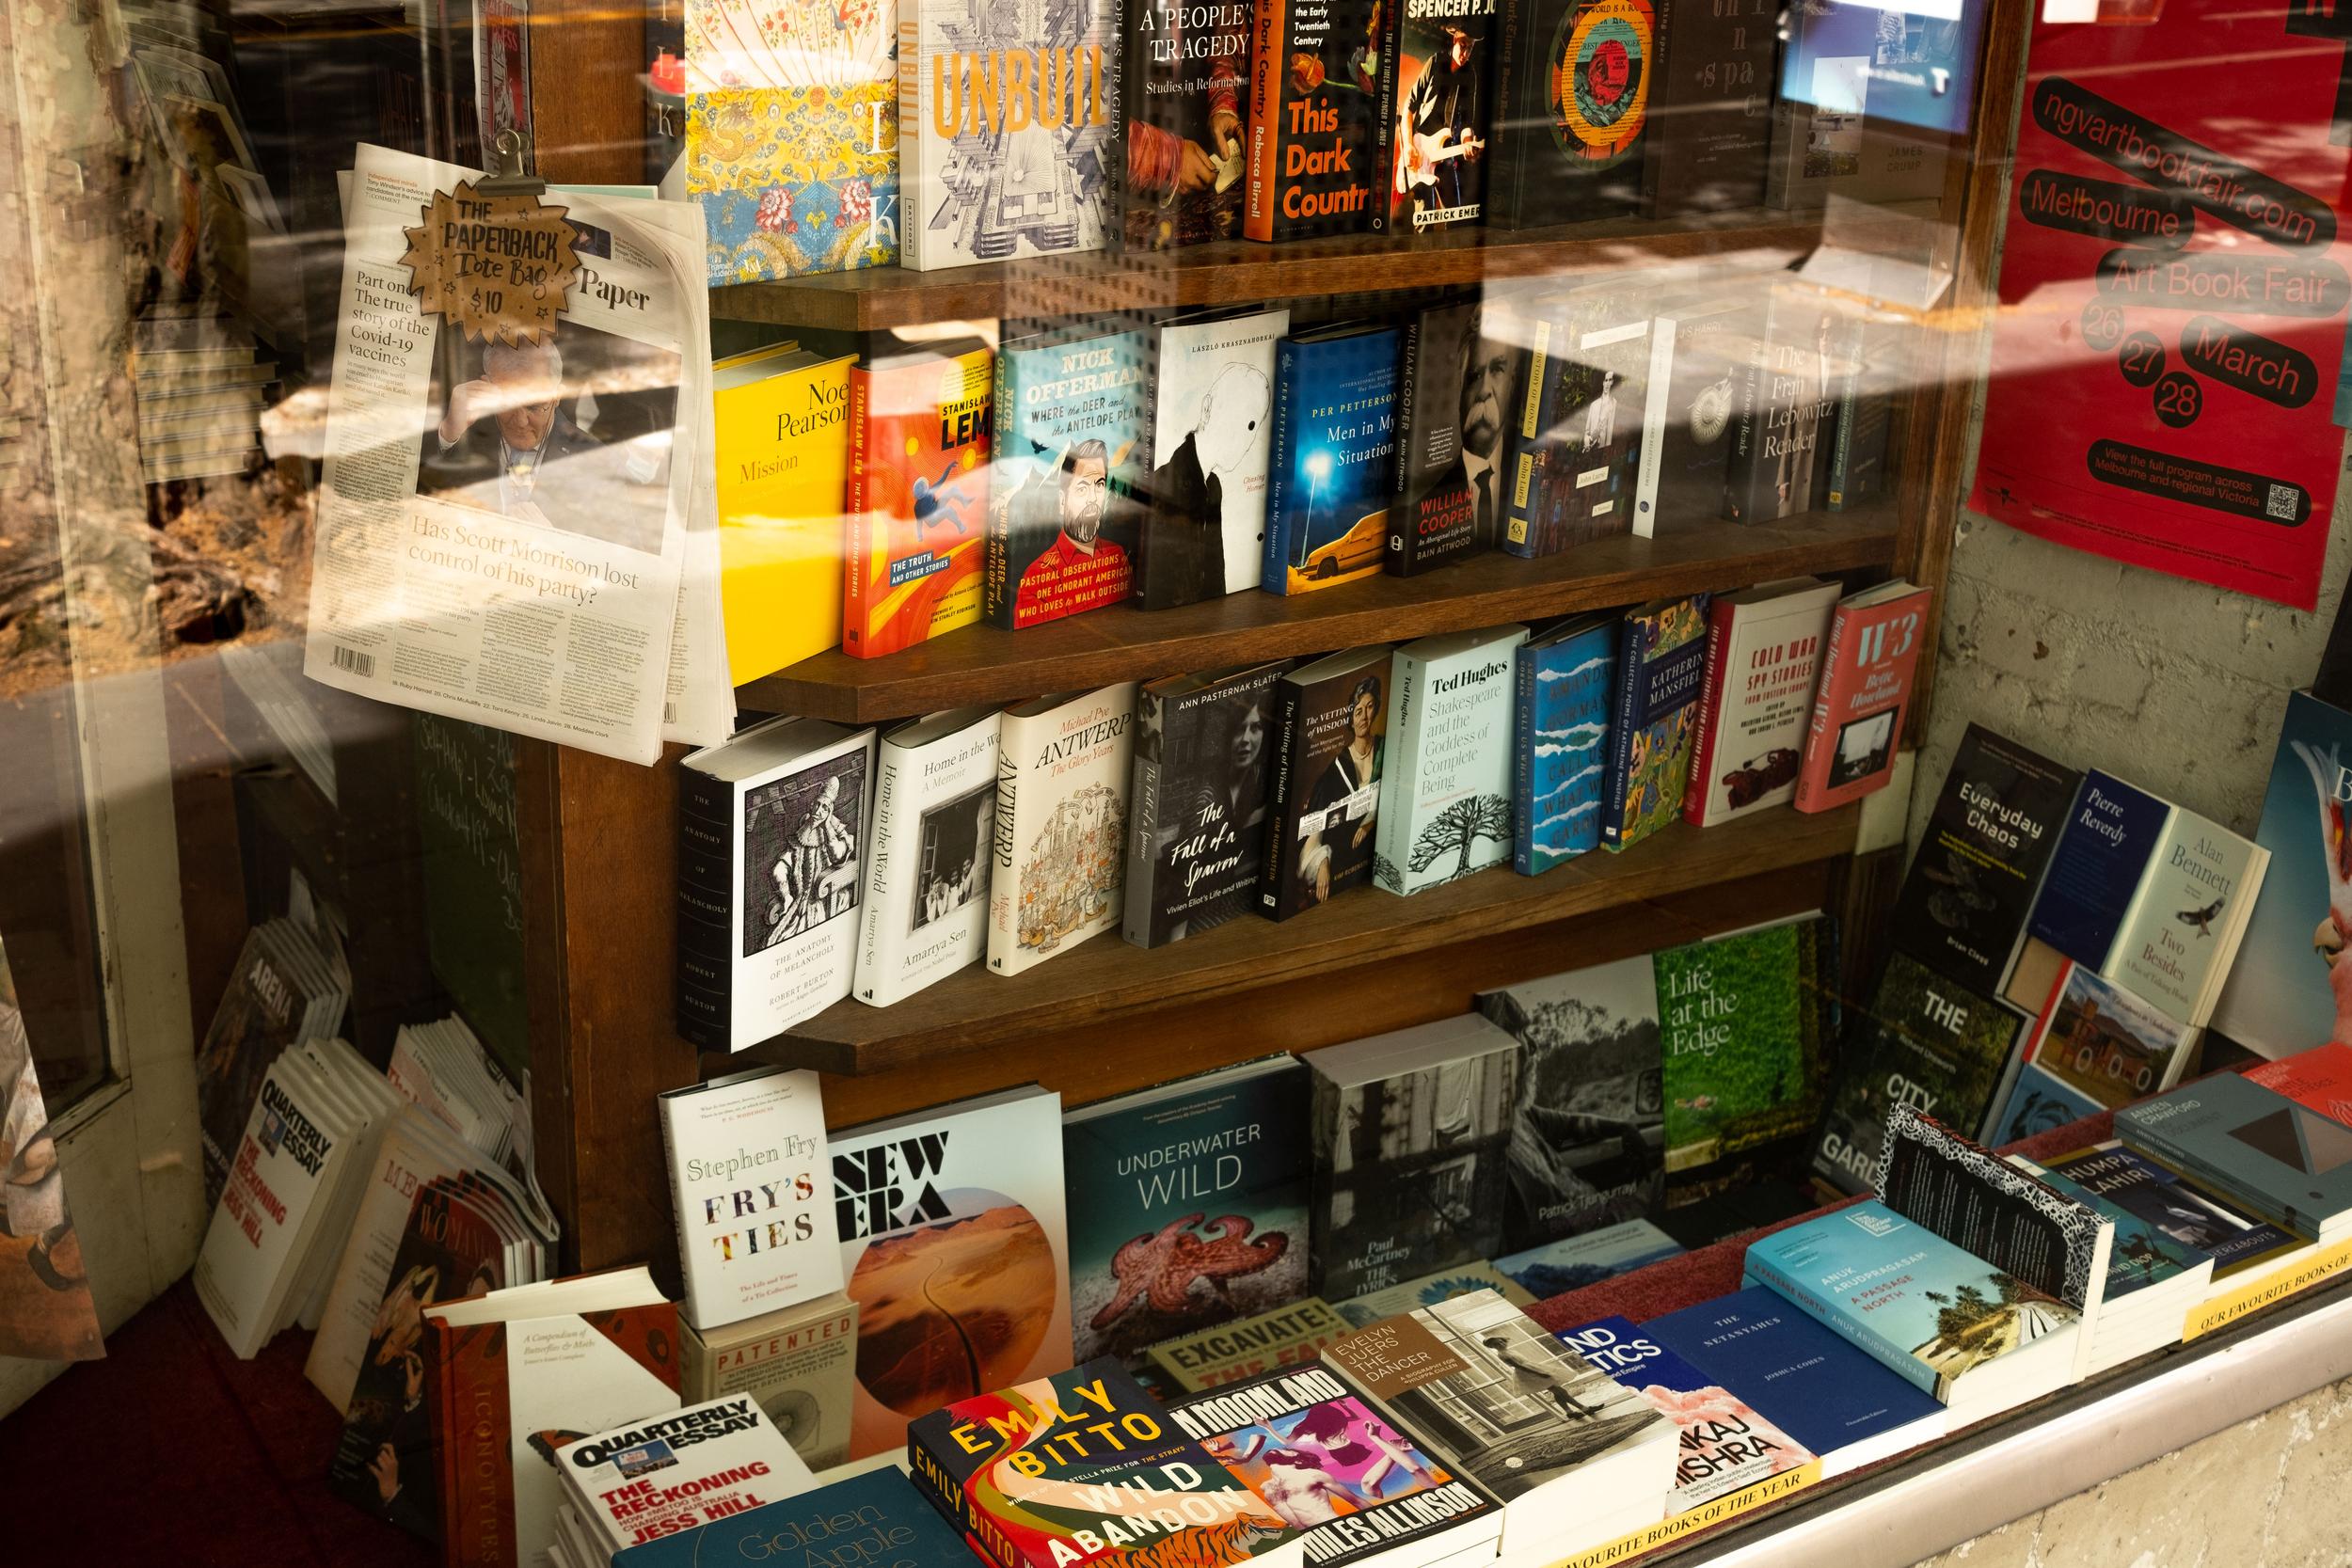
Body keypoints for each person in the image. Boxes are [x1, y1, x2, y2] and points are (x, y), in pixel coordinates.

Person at [421, 340, 665, 550]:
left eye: (535, 406)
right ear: (486, 386)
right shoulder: (462, 436)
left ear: (556, 397)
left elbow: (628, 558)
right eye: (507, 403)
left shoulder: (596, 459)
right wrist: (448, 431)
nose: (520, 421)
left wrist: (556, 547)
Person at [1146, 363, 1272, 605]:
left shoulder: (1213, 487)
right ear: (1207, 409)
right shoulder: (1164, 485)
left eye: (1253, 424)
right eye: (1237, 416)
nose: (1244, 436)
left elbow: (1215, 583)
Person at [1010, 439, 1129, 622]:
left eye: (1099, 485)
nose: (1093, 498)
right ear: (1062, 501)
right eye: (1082, 489)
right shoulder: (1036, 580)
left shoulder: (1117, 558)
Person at [1299, 676, 1383, 904]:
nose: (1364, 717)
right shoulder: (1335, 770)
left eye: (1370, 707)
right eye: (1358, 711)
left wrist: (1371, 820)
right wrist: (1322, 862)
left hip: (1378, 862)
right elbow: (1313, 834)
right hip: (1343, 868)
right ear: (1350, 719)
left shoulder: (1385, 750)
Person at [1399, 24, 1484, 221]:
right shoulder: (1435, 62)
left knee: (1455, 216)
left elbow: (1466, 122)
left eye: (1470, 48)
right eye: (1463, 46)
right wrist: (1409, 145)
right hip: (1420, 150)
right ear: (1454, 41)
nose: (1466, 53)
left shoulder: (1470, 74)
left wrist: (1468, 142)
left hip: (1446, 151)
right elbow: (1408, 107)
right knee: (1424, 217)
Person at [767, 774, 858, 946]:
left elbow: (837, 856)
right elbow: (779, 869)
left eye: (824, 808)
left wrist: (826, 826)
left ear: (830, 811)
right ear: (811, 805)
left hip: (824, 902)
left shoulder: (840, 836)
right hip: (799, 903)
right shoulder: (805, 832)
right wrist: (786, 896)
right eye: (817, 805)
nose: (818, 811)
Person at [1448, 312, 1512, 546]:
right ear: (1460, 389)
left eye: (1497, 370)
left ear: (1513, 381)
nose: (1484, 390)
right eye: (1474, 376)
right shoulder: (1421, 508)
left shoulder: (1527, 475)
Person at [1485, 1331, 1600, 1421]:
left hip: (1532, 1369)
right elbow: (1520, 1366)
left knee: (1558, 1392)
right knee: (1561, 1391)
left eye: (1500, 1341)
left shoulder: (1509, 1350)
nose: (1500, 1344)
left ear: (1503, 1340)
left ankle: (1570, 1412)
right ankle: (1585, 1409)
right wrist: (1539, 1373)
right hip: (1529, 1373)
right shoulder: (1503, 1354)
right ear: (1492, 1347)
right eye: (1496, 1344)